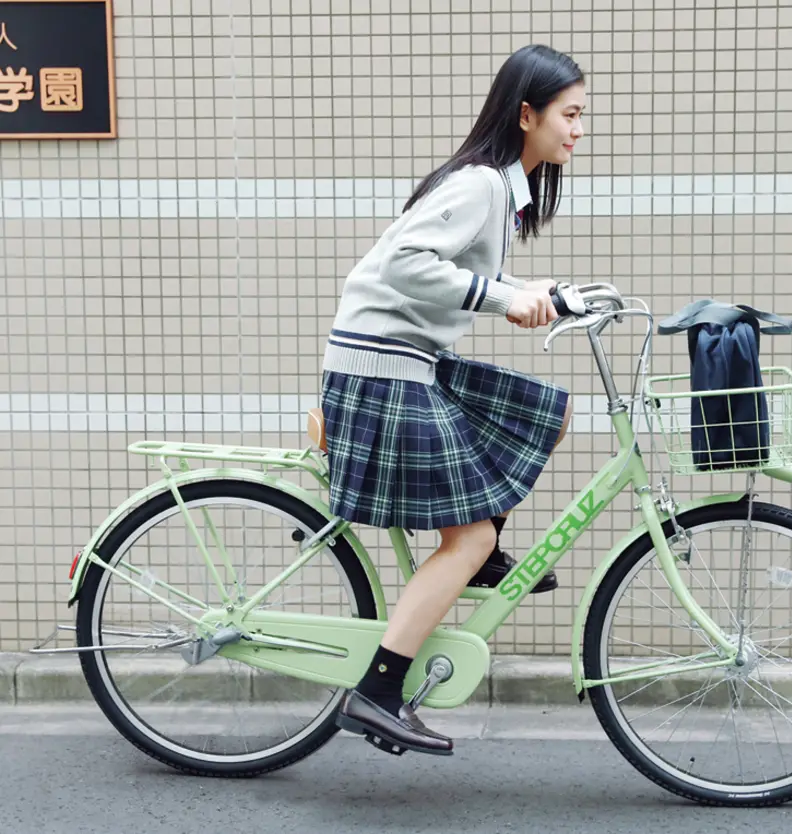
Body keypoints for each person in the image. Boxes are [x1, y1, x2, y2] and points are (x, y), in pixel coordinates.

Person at [320, 44, 587, 755]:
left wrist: (548, 295)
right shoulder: (481, 186)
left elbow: (466, 276)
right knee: (466, 536)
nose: (577, 129)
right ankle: (378, 691)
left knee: (548, 414)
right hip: (382, 370)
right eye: (569, 114)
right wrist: (508, 300)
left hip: (414, 361)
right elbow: (409, 261)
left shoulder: (504, 192)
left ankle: (484, 549)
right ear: (525, 114)